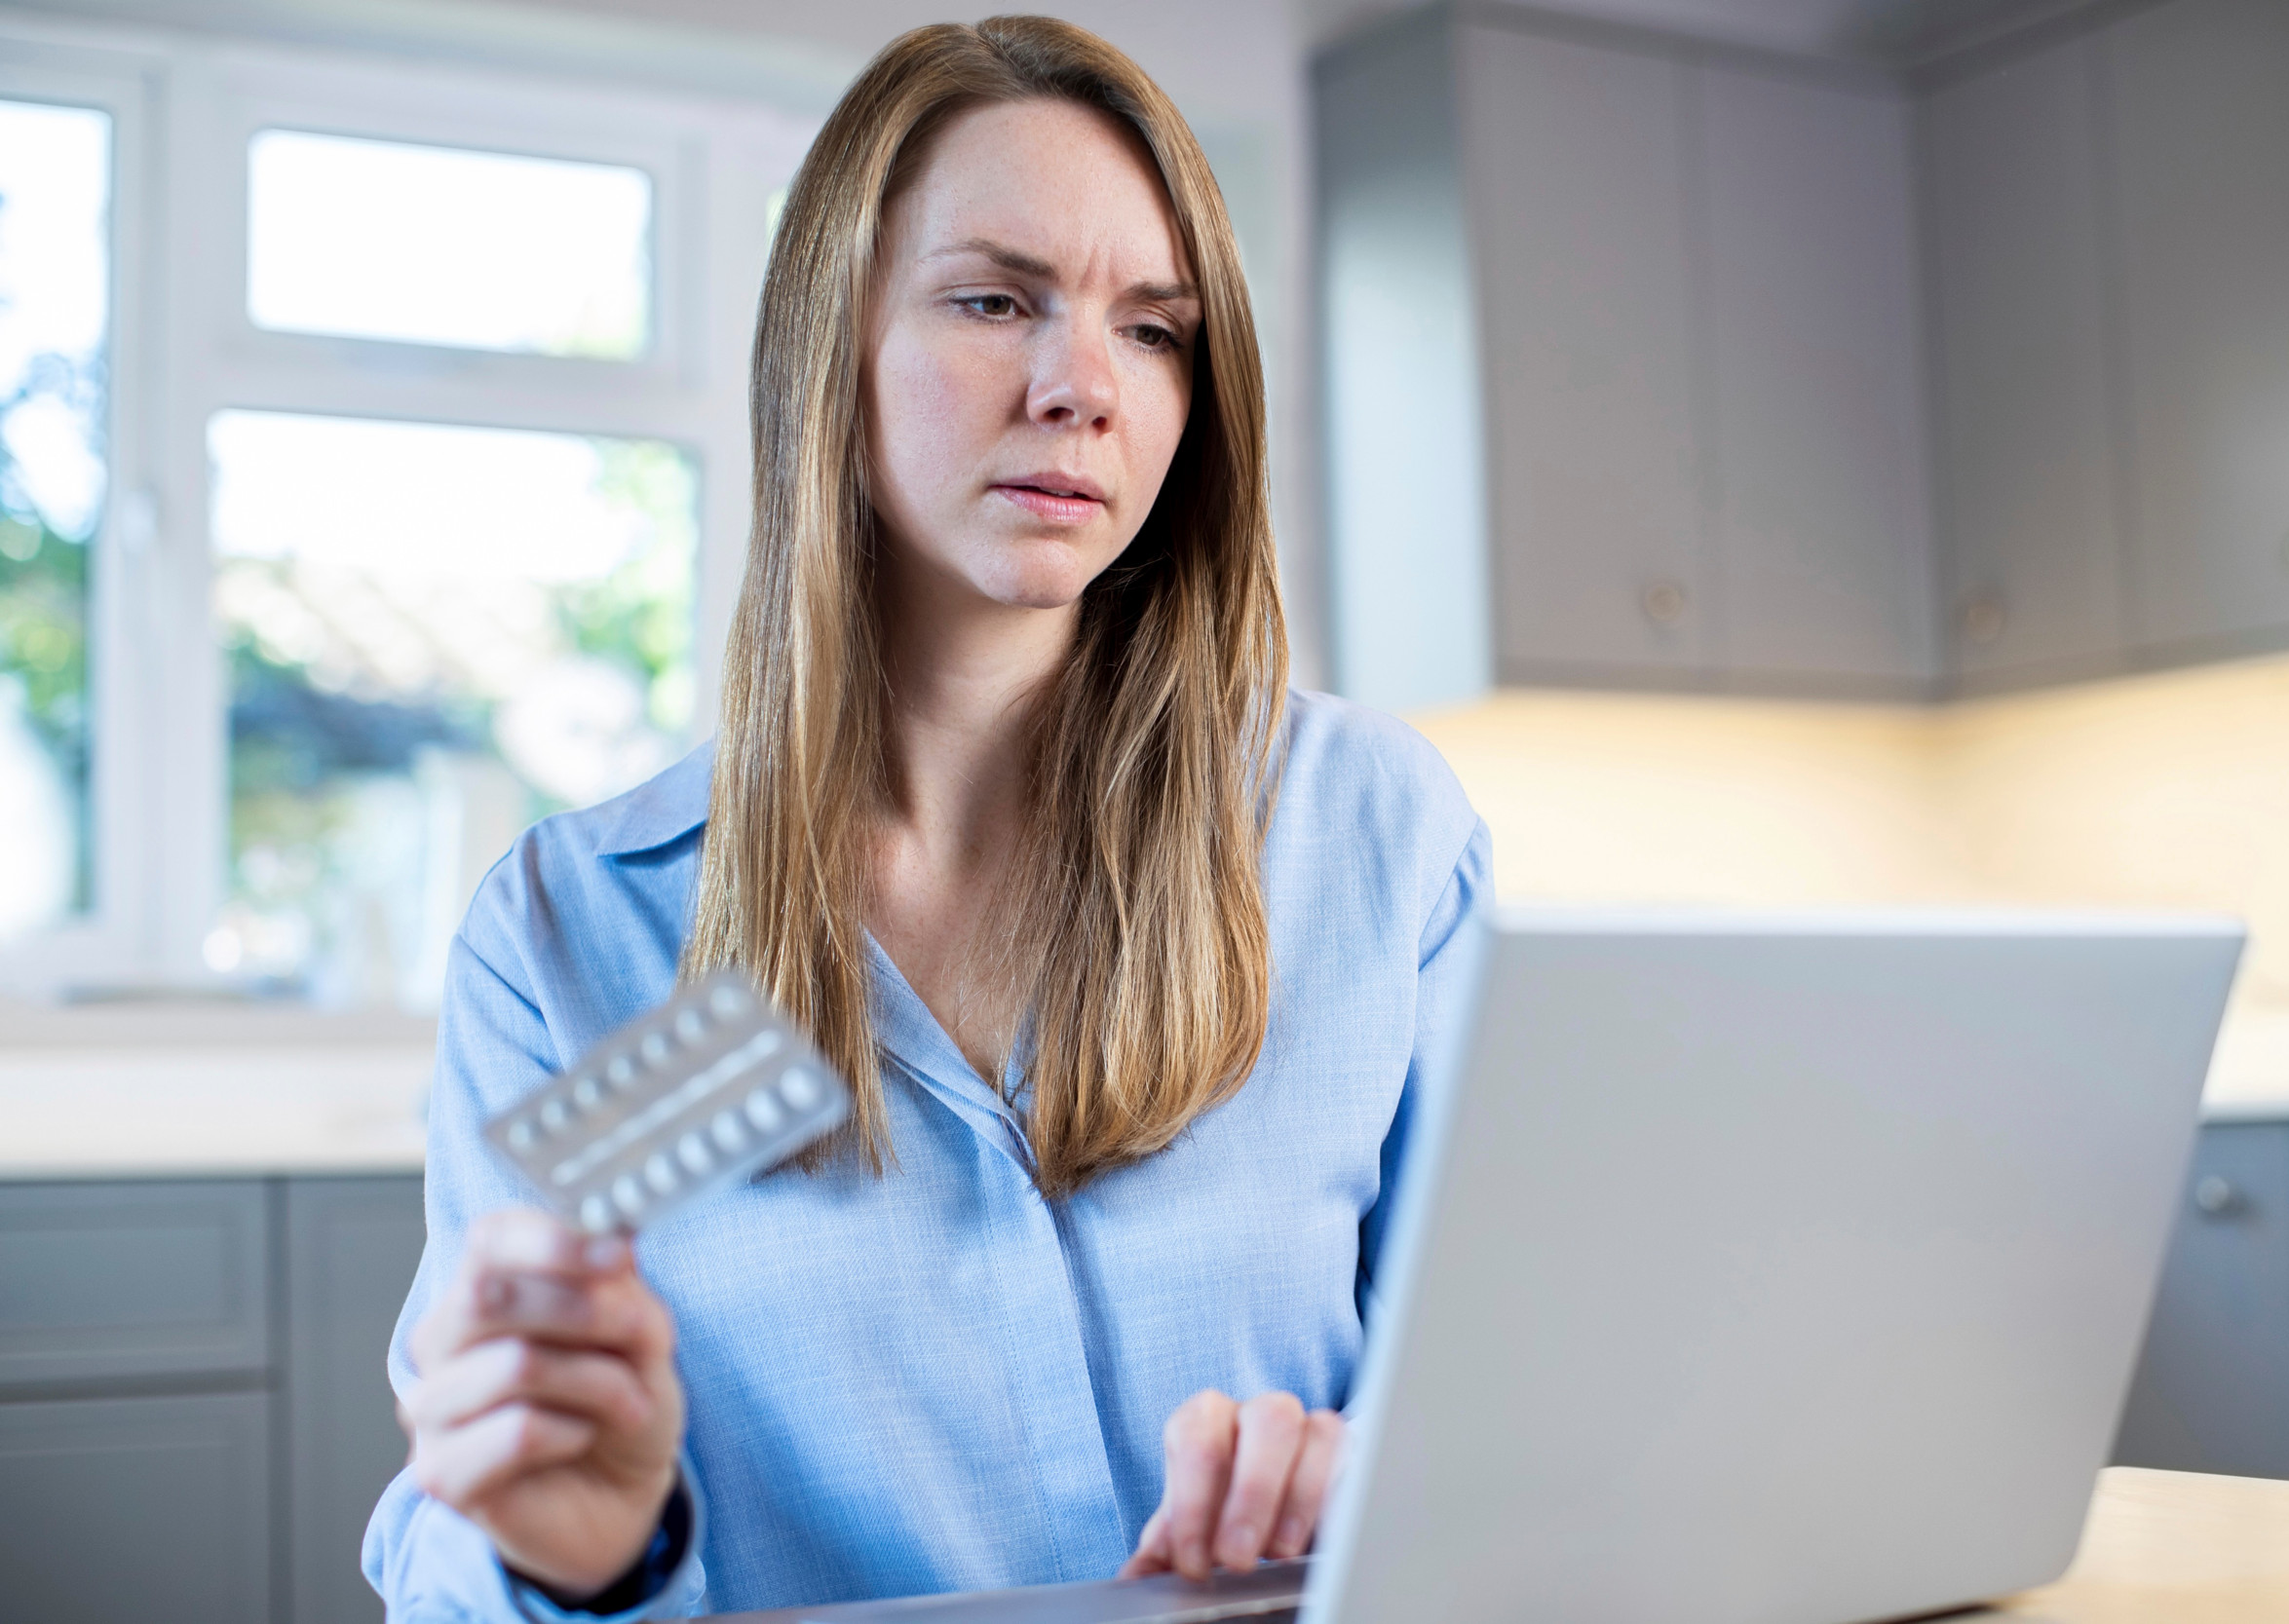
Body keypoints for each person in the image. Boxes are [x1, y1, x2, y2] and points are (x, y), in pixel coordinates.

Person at [365, 16, 1490, 1620]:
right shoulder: (580, 935)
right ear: (833, 350)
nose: (1082, 387)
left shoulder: (1374, 839)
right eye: (993, 300)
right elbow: (441, 1542)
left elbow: (1522, 1415)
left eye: (1155, 329)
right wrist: (581, 1558)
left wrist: (1386, 1479)